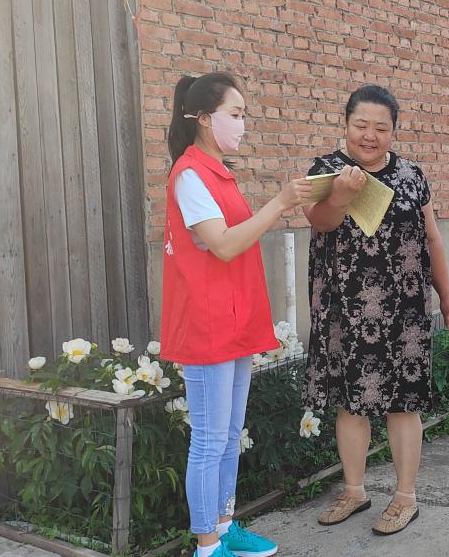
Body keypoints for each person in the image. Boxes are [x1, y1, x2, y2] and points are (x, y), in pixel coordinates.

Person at [160, 71, 312, 557]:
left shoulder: (218, 174)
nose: (243, 125)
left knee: (228, 435)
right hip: (206, 326)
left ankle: (224, 526)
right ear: (205, 119)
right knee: (208, 440)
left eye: (244, 115)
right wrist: (280, 202)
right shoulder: (189, 175)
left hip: (233, 320)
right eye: (236, 114)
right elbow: (224, 245)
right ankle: (207, 546)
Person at [302, 85, 449, 536]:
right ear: (346, 124)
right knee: (350, 403)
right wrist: (341, 195)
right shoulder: (325, 170)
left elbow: (431, 239)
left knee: (403, 403)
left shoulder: (411, 175)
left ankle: (405, 497)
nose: (369, 136)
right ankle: (354, 491)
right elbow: (320, 221)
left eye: (380, 128)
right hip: (344, 312)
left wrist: (448, 298)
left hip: (405, 312)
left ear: (393, 131)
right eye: (361, 126)